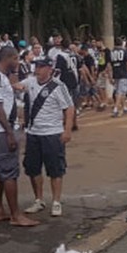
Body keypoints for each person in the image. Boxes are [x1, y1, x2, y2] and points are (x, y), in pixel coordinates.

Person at [0, 48, 38, 226]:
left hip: (3, 128)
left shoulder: (1, 77)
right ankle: (15, 215)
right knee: (9, 172)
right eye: (15, 59)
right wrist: (9, 133)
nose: (17, 62)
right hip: (3, 129)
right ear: (7, 58)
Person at [22, 58, 75, 217]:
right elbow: (16, 86)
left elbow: (69, 108)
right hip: (33, 133)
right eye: (36, 66)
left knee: (55, 169)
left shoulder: (58, 86)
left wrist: (67, 130)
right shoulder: (30, 82)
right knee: (33, 168)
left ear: (49, 69)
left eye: (41, 67)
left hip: (52, 133)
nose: (37, 70)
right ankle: (38, 200)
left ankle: (56, 201)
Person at [109, 39, 127, 117]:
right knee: (120, 92)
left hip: (115, 73)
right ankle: (115, 109)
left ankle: (124, 107)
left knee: (120, 91)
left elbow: (109, 65)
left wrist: (110, 76)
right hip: (123, 73)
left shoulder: (112, 52)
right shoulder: (124, 51)